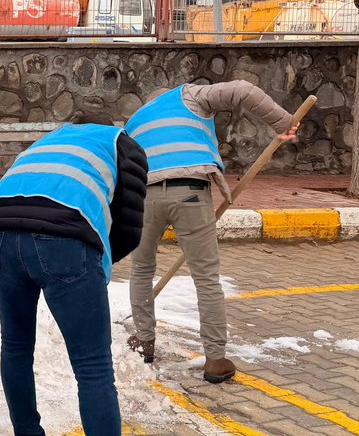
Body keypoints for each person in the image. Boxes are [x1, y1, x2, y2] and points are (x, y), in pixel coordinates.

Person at [0, 113, 148, 436]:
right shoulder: (123, 142)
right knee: (93, 366)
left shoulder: (48, 140)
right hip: (65, 238)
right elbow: (128, 226)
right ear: (113, 123)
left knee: (16, 345)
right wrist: (92, 270)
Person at [124, 81, 297, 383]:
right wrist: (284, 123)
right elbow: (244, 89)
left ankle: (144, 341)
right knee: (205, 279)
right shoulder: (190, 95)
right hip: (190, 191)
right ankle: (215, 360)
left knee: (140, 269)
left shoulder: (136, 119)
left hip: (144, 196)